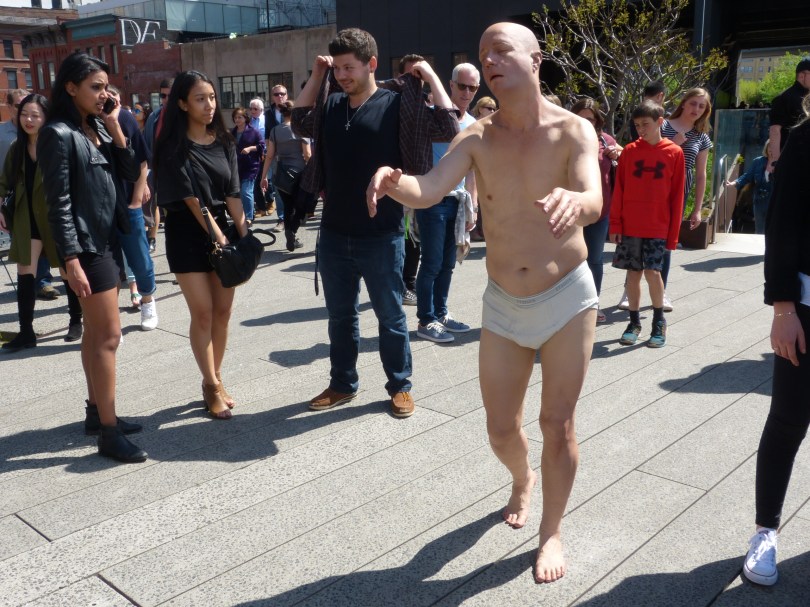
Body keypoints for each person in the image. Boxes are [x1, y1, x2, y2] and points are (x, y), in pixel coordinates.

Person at [367, 22, 602, 582]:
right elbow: (429, 187)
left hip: (568, 296)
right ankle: (522, 478)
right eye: (482, 53)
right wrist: (393, 181)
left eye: (502, 50)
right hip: (502, 302)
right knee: (501, 428)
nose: (491, 60)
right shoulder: (476, 137)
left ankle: (551, 532)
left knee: (558, 423)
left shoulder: (574, 131)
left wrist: (579, 201)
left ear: (535, 59)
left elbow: (592, 196)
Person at [292, 27, 458, 418]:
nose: (343, 75)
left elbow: (450, 125)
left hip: (381, 234)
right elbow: (299, 120)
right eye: (339, 68)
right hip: (333, 232)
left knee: (390, 315)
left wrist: (431, 76)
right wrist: (318, 75)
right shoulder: (331, 105)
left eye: (350, 68)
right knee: (341, 316)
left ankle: (400, 385)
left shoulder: (397, 104)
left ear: (371, 64)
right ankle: (343, 383)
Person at [38, 52, 146, 463]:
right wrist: (69, 258)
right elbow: (58, 202)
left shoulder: (96, 126)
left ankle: (95, 411)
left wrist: (116, 125)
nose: (104, 94)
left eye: (106, 87)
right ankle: (108, 431)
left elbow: (129, 168)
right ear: (70, 87)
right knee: (109, 336)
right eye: (95, 87)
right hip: (86, 245)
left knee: (95, 336)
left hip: (105, 238)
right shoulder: (58, 134)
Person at [742, 95, 810, 588]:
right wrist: (783, 308)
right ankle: (765, 530)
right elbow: (781, 225)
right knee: (787, 419)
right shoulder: (805, 140)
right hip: (806, 308)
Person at [153, 70, 248, 421]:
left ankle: (216, 375)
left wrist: (244, 234)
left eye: (211, 97)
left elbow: (233, 193)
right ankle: (209, 385)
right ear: (182, 103)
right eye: (200, 99)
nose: (209, 105)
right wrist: (219, 237)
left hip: (223, 229)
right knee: (204, 312)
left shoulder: (224, 141)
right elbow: (192, 201)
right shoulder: (172, 147)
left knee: (223, 312)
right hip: (187, 234)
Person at [0, 93, 83, 351]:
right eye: (24, 114)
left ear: (46, 116)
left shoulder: (57, 143)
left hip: (55, 216)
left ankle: (75, 321)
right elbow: (4, 183)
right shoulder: (17, 148)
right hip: (27, 217)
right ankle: (26, 332)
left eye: (35, 115)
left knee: (66, 271)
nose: (29, 120)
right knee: (26, 273)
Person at [609, 101, 685, 348]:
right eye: (637, 124)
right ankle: (633, 322)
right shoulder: (630, 151)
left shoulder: (674, 153)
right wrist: (615, 224)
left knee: (653, 273)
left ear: (660, 122)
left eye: (646, 124)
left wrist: (673, 235)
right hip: (631, 225)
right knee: (633, 274)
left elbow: (677, 196)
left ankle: (658, 322)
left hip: (657, 225)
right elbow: (618, 190)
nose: (641, 129)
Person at [414, 62, 480, 344]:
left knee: (447, 263)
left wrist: (472, 205)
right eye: (462, 85)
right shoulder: (433, 116)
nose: (466, 92)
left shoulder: (473, 124)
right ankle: (425, 319)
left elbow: (472, 169)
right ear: (450, 85)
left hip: (458, 200)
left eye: (472, 87)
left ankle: (440, 313)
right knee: (430, 262)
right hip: (432, 198)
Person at [107, 85, 158, 331]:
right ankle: (111, 318)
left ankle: (147, 300)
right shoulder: (81, 120)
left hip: (127, 201)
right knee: (108, 264)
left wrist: (136, 200)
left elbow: (142, 160)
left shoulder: (124, 118)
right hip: (100, 206)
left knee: (139, 257)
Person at [572, 97, 622, 322]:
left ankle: (593, 303)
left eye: (590, 119)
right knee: (569, 260)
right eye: (580, 118)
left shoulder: (605, 141)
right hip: (571, 211)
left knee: (594, 259)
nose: (585, 123)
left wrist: (618, 155)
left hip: (600, 212)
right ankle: (570, 306)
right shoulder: (564, 139)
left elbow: (621, 165)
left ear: (597, 121)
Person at [396, 53, 428, 307]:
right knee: (399, 239)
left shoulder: (428, 108)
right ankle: (400, 284)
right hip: (394, 184)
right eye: (411, 76)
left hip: (420, 185)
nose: (416, 81)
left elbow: (450, 125)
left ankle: (409, 281)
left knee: (413, 238)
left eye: (421, 76)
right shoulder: (389, 104)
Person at [260, 100, 307, 251]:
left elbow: (269, 155)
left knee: (288, 206)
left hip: (281, 175)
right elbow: (308, 154)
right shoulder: (301, 130)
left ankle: (290, 234)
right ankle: (291, 231)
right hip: (300, 174)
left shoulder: (274, 131)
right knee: (302, 206)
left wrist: (263, 176)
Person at [725, 140, 774, 235]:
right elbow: (747, 176)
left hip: (773, 201)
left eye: (773, 147)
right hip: (759, 200)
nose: (771, 150)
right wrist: (734, 183)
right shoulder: (758, 161)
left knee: (771, 230)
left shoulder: (781, 162)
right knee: (759, 230)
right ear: (766, 148)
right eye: (769, 147)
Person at [768, 57, 810, 164]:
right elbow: (775, 131)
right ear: (802, 76)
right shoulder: (783, 98)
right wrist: (775, 162)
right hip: (791, 160)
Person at [470, 96, 497, 242]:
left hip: (490, 166)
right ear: (480, 108)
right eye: (489, 108)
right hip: (475, 167)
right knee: (477, 198)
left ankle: (481, 230)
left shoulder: (493, 125)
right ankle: (475, 230)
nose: (492, 111)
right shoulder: (473, 124)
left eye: (494, 108)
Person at [259, 84, 289, 219]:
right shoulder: (268, 113)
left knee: (295, 186)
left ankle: (295, 215)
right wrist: (269, 153)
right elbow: (266, 135)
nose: (280, 96)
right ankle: (282, 218)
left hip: (293, 155)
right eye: (276, 94)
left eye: (282, 94)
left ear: (286, 95)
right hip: (276, 155)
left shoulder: (293, 110)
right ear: (273, 97)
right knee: (278, 188)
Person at [231, 106, 265, 225]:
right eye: (235, 117)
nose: (237, 120)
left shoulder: (253, 131)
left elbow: (262, 146)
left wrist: (250, 148)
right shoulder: (232, 132)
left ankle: (249, 217)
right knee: (238, 193)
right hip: (236, 167)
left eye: (240, 117)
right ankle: (243, 215)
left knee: (246, 191)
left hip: (251, 166)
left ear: (245, 118)